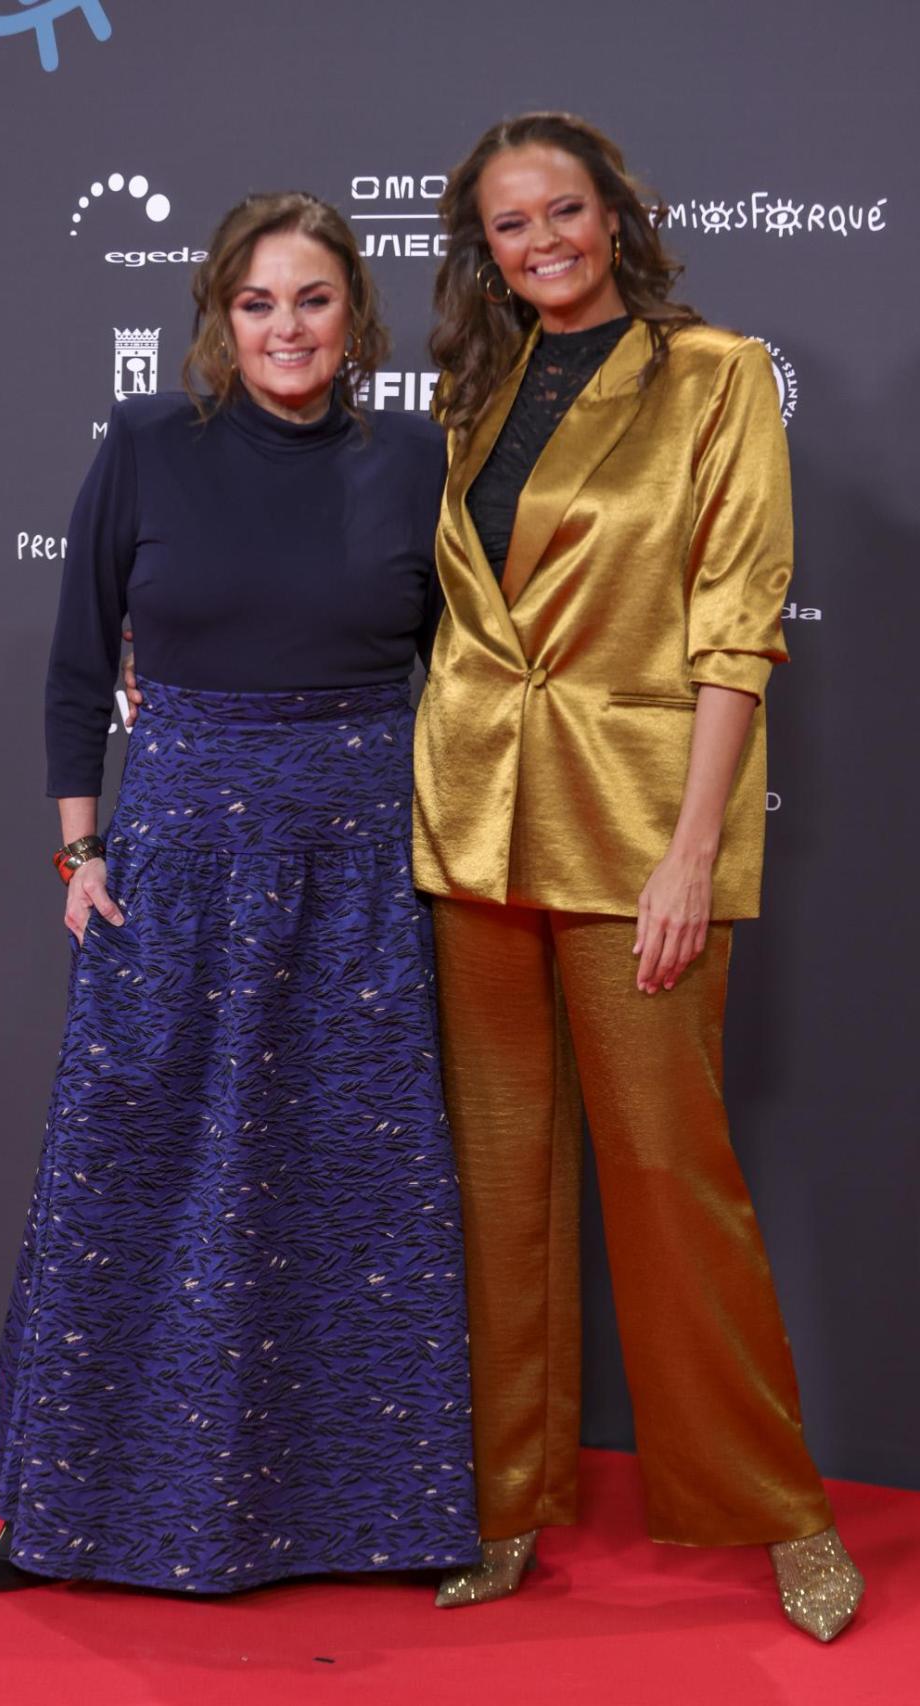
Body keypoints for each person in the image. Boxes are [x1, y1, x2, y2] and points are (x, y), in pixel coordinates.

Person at [0, 192, 479, 1595]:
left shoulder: (418, 459)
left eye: (312, 299)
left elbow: (470, 679)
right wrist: (80, 852)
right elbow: (81, 663)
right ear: (219, 317)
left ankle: (375, 1518)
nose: (285, 328)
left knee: (349, 1193)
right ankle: (68, 1513)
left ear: (354, 314)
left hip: (361, 872)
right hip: (176, 867)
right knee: (128, 1176)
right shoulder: (146, 442)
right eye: (258, 303)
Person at [412, 112, 864, 1641]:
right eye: (511, 223)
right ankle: (504, 1500)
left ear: (616, 214)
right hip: (473, 827)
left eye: (564, 210)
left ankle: (783, 1508)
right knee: (499, 1185)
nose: (541, 241)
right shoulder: (475, 394)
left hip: (635, 833)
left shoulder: (714, 374)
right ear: (485, 249)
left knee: (671, 1175)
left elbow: (737, 624)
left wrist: (690, 856)